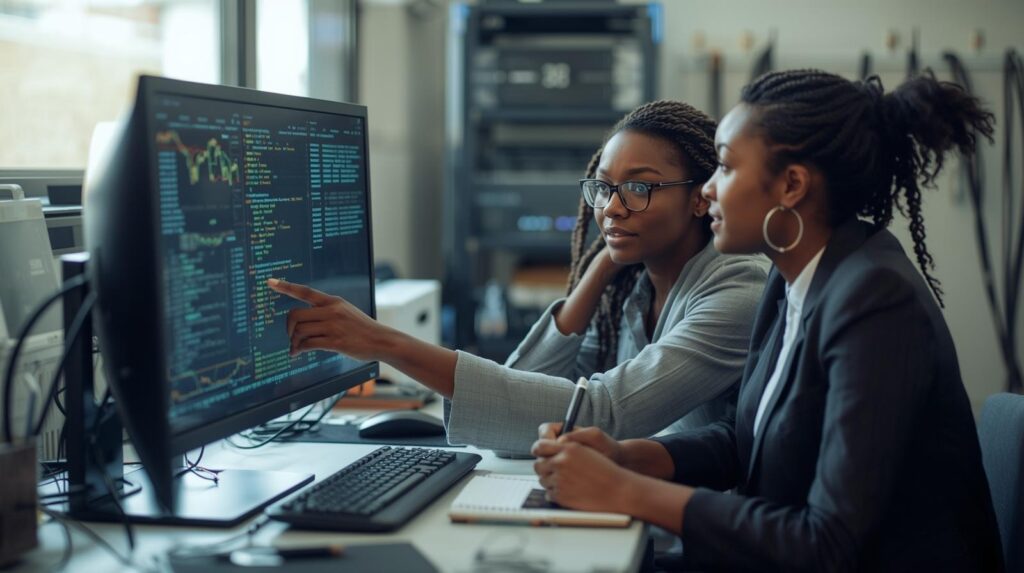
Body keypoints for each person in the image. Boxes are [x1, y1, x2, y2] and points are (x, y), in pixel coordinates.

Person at [531, 70, 1004, 571]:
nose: (708, 189)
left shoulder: (877, 301)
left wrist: (627, 491)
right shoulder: (791, 278)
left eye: (725, 167)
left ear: (792, 185)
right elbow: (747, 440)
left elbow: (827, 544)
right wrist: (629, 456)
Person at [268, 100, 768, 454]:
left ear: (700, 197)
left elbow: (602, 414)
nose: (612, 208)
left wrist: (384, 342)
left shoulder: (738, 288)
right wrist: (598, 268)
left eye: (640, 187)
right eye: (603, 188)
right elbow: (527, 400)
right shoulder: (637, 291)